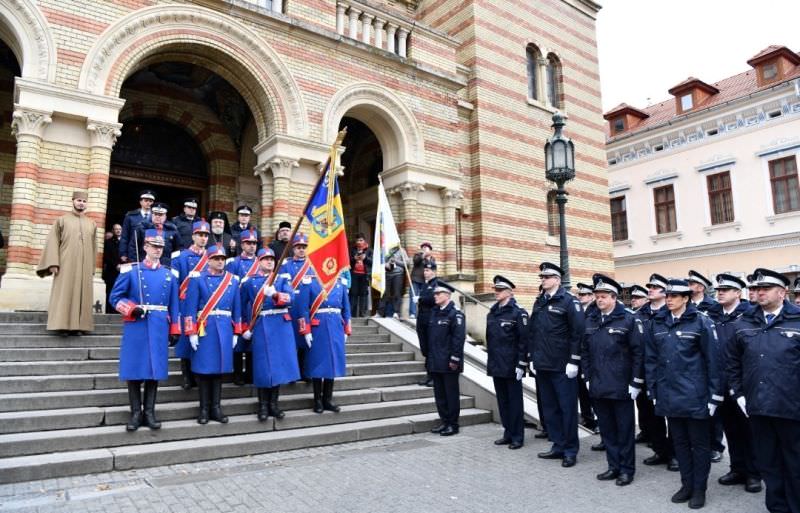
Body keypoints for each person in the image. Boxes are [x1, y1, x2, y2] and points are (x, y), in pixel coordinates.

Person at [645, 278, 722, 510]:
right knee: (678, 443)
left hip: (695, 395)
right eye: (666, 295)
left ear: (686, 298)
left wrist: (714, 396)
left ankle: (699, 489)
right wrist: (653, 389)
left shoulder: (701, 322)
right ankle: (686, 485)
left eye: (674, 296)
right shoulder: (657, 323)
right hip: (669, 394)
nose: (668, 299)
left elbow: (713, 361)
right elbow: (651, 360)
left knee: (699, 445)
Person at [728, 268, 800, 513]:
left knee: (795, 462)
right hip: (758, 407)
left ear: (782, 292)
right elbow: (732, 362)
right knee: (768, 462)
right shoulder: (743, 323)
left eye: (764, 289)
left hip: (792, 408)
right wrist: (738, 394)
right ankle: (777, 507)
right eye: (755, 289)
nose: (758, 293)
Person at [110, 229, 180, 431]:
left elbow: (175, 304)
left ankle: (149, 412)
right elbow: (115, 297)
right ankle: (135, 413)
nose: (158, 250)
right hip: (137, 324)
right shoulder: (131, 271)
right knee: (134, 370)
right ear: (145, 247)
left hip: (159, 325)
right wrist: (131, 308)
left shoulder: (169, 275)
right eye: (153, 246)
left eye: (160, 246)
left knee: (154, 370)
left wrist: (175, 329)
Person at [581, 274, 644, 487]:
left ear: (614, 297)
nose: (599, 300)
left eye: (603, 296)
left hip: (621, 385)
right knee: (607, 430)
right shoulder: (590, 320)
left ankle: (627, 470)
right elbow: (585, 351)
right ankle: (613, 466)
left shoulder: (628, 319)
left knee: (624, 430)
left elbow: (638, 353)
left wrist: (635, 382)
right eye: (597, 296)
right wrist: (587, 376)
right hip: (598, 385)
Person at [529, 262, 585, 468]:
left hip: (562, 366)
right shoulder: (540, 301)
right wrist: (532, 358)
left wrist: (574, 360)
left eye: (547, 277)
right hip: (543, 364)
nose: (543, 280)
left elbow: (578, 333)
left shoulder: (569, 302)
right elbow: (534, 332)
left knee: (567, 409)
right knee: (550, 409)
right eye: (541, 277)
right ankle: (558, 445)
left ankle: (570, 450)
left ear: (557, 280)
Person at [713, 273, 761, 494]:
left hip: (743, 385)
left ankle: (753, 473)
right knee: (730, 429)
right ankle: (737, 468)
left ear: (738, 293)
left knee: (748, 431)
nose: (720, 293)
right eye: (718, 290)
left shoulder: (750, 316)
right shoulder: (714, 316)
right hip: (721, 383)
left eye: (726, 290)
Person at [182, 245, 242, 424]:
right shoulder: (198, 279)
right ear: (208, 260)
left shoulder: (232, 280)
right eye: (216, 258)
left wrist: (236, 331)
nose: (220, 262)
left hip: (224, 327)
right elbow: (190, 308)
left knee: (218, 370)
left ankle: (216, 407)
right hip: (204, 328)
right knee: (203, 369)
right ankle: (204, 409)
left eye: (222, 259)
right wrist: (191, 331)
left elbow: (237, 308)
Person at [241, 248, 299, 421]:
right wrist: (245, 327)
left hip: (280, 326)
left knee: (278, 367)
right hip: (261, 325)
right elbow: (243, 306)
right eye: (265, 259)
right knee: (263, 367)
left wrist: (274, 294)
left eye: (272, 259)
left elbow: (292, 299)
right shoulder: (250, 282)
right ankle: (263, 405)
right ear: (258, 261)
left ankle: (274, 404)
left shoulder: (282, 279)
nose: (269, 262)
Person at [36, 190, 97, 337]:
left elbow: (94, 247)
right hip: (65, 264)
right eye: (79, 200)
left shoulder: (92, 224)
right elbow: (52, 242)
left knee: (82, 294)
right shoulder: (61, 220)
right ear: (73, 201)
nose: (81, 203)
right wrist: (53, 263)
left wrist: (92, 267)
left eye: (84, 201)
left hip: (85, 266)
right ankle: (62, 326)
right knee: (65, 293)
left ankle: (78, 327)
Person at [636, 273, 678, 472]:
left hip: (667, 371)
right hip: (645, 369)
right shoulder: (640, 314)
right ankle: (660, 449)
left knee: (672, 414)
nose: (650, 290)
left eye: (655, 287)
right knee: (651, 413)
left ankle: (675, 453)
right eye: (649, 287)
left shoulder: (671, 312)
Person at [296, 270, 351, 414]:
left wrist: (346, 329)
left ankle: (328, 399)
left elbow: (346, 308)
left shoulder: (340, 283)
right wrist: (305, 330)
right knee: (317, 363)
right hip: (318, 326)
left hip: (336, 326)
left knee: (332, 363)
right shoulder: (310, 282)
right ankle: (317, 400)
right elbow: (302, 309)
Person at [486, 275, 529, 449]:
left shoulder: (518, 312)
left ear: (509, 292)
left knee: (515, 402)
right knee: (503, 402)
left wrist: (521, 364)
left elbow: (524, 341)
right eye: (495, 289)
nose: (496, 293)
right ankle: (508, 432)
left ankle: (518, 436)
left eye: (499, 290)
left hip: (512, 365)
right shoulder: (493, 311)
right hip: (497, 364)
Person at [687, 269, 725, 464]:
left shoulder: (714, 306)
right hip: (693, 362)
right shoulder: (685, 306)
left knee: (713, 408)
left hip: (709, 356)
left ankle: (716, 446)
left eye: (691, 284)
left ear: (701, 287)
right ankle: (699, 444)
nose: (688, 286)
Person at [171, 219, 211, 390]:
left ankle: (199, 373)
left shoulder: (212, 257)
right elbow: (174, 284)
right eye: (200, 235)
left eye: (205, 235)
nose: (203, 239)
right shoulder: (180, 257)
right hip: (185, 303)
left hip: (205, 305)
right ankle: (186, 375)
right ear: (193, 236)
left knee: (203, 340)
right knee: (186, 341)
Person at [427, 282, 466, 436]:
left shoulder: (455, 314)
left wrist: (455, 359)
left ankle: (453, 424)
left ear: (447, 295)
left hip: (449, 362)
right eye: (435, 294)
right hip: (436, 360)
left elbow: (458, 339)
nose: (435, 296)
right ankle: (444, 421)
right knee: (440, 395)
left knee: (451, 395)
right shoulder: (435, 312)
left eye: (438, 294)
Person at [278, 233, 316, 381]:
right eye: (298, 247)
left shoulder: (312, 265)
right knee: (290, 341)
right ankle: (292, 373)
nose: (301, 250)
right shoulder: (285, 265)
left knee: (305, 340)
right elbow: (281, 285)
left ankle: (305, 371)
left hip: (307, 307)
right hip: (291, 307)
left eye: (304, 247)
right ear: (293, 249)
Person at [226, 228, 260, 385]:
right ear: (242, 244)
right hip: (238, 305)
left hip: (254, 306)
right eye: (248, 243)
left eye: (254, 243)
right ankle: (237, 374)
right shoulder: (234, 263)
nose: (252, 246)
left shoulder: (261, 262)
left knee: (253, 343)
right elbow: (230, 285)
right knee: (238, 342)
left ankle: (251, 374)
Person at [575, 282, 598, 435]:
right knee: (581, 390)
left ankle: (596, 420)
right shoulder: (578, 310)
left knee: (592, 391)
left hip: (591, 356)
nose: (580, 296)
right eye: (579, 294)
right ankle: (587, 417)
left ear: (591, 296)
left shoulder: (595, 310)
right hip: (579, 355)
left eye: (583, 294)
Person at [416, 262, 439, 387]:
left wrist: (419, 299)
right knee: (425, 349)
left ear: (434, 272)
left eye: (428, 270)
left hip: (430, 320)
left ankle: (433, 376)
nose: (425, 273)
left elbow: (433, 299)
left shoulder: (437, 284)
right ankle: (428, 374)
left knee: (431, 349)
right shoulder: (425, 285)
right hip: (422, 320)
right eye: (424, 270)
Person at [119, 190, 155, 264]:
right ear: (141, 202)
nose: (148, 203)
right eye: (146, 200)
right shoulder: (131, 216)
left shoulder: (156, 217)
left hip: (151, 252)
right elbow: (125, 236)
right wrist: (123, 253)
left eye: (150, 201)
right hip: (134, 252)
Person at [379, 246, 407, 318]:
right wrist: (385, 264)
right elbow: (380, 261)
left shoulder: (401, 250)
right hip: (387, 274)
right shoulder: (385, 249)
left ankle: (396, 312)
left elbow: (406, 263)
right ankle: (380, 313)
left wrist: (395, 261)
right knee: (384, 293)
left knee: (397, 293)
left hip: (398, 274)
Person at [409, 242, 435, 319]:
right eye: (423, 248)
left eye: (427, 248)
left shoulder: (432, 258)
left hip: (425, 281)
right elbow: (416, 262)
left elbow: (433, 267)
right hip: (416, 279)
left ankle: (421, 313)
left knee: (423, 297)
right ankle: (412, 313)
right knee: (413, 296)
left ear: (430, 250)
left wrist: (428, 258)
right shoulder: (417, 255)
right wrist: (423, 255)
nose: (425, 249)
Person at [349, 233, 372, 317]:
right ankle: (352, 314)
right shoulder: (352, 250)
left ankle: (363, 314)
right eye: (357, 240)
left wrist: (365, 258)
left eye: (361, 240)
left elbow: (373, 263)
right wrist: (354, 259)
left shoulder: (369, 250)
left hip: (365, 275)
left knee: (363, 294)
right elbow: (347, 262)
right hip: (354, 274)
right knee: (353, 294)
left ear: (364, 241)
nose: (359, 242)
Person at [102, 223, 122, 313]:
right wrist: (116, 265)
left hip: (122, 270)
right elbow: (107, 257)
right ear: (113, 230)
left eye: (119, 229)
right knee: (111, 290)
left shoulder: (124, 242)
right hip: (112, 271)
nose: (118, 231)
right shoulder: (108, 242)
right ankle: (110, 310)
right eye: (116, 229)